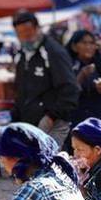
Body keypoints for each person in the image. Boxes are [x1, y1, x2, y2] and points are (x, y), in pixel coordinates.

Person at [11, 9, 79, 147]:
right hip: (30, 125)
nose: (25, 39)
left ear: (37, 29)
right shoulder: (22, 55)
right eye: (21, 35)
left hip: (52, 124)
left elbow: (70, 89)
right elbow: (21, 91)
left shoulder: (53, 52)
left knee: (49, 164)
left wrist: (51, 117)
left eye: (28, 33)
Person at [65, 30, 101, 128]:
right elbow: (68, 92)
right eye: (84, 43)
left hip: (100, 120)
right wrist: (82, 75)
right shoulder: (68, 66)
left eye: (91, 43)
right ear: (74, 46)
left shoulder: (100, 67)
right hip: (78, 119)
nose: (88, 47)